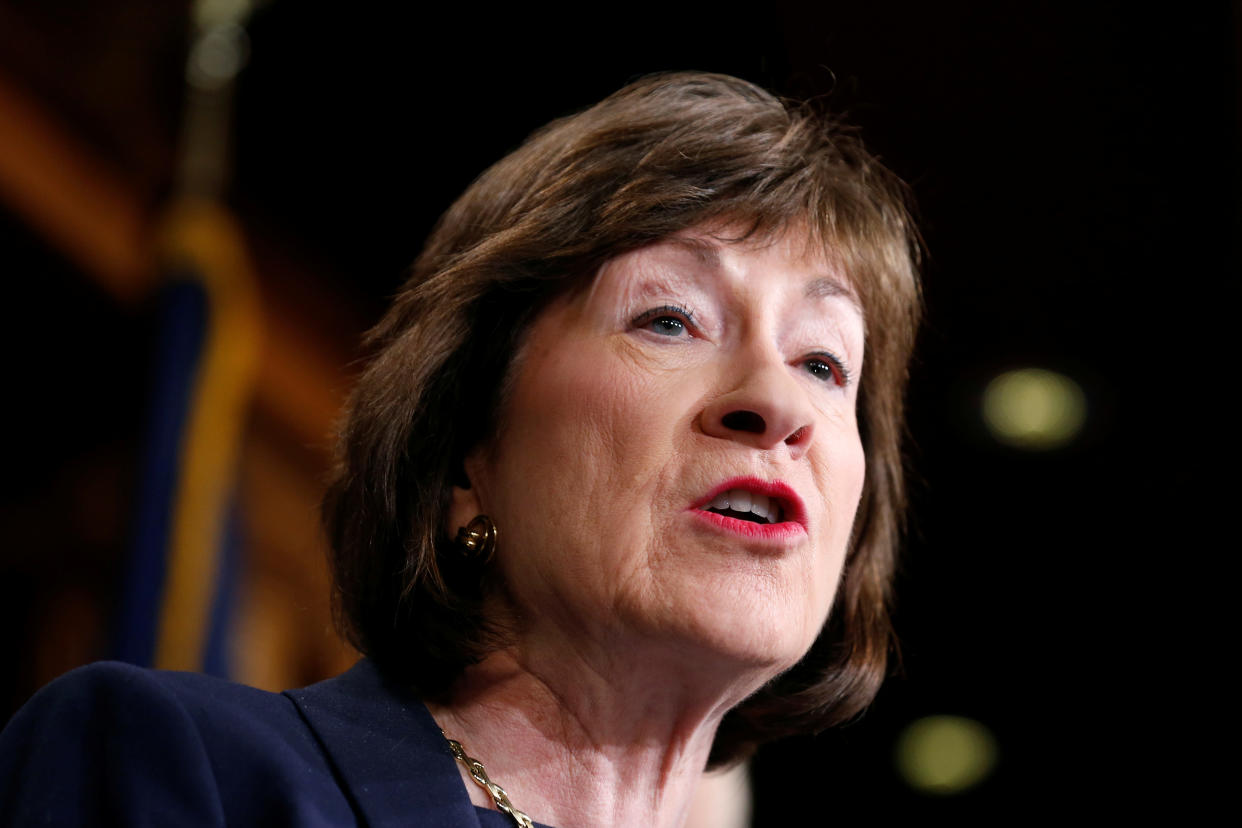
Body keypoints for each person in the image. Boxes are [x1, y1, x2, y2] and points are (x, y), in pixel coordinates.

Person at [0, 71, 921, 827]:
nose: (776, 403)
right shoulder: (191, 774)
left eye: (823, 363)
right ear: (466, 453)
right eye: (670, 318)